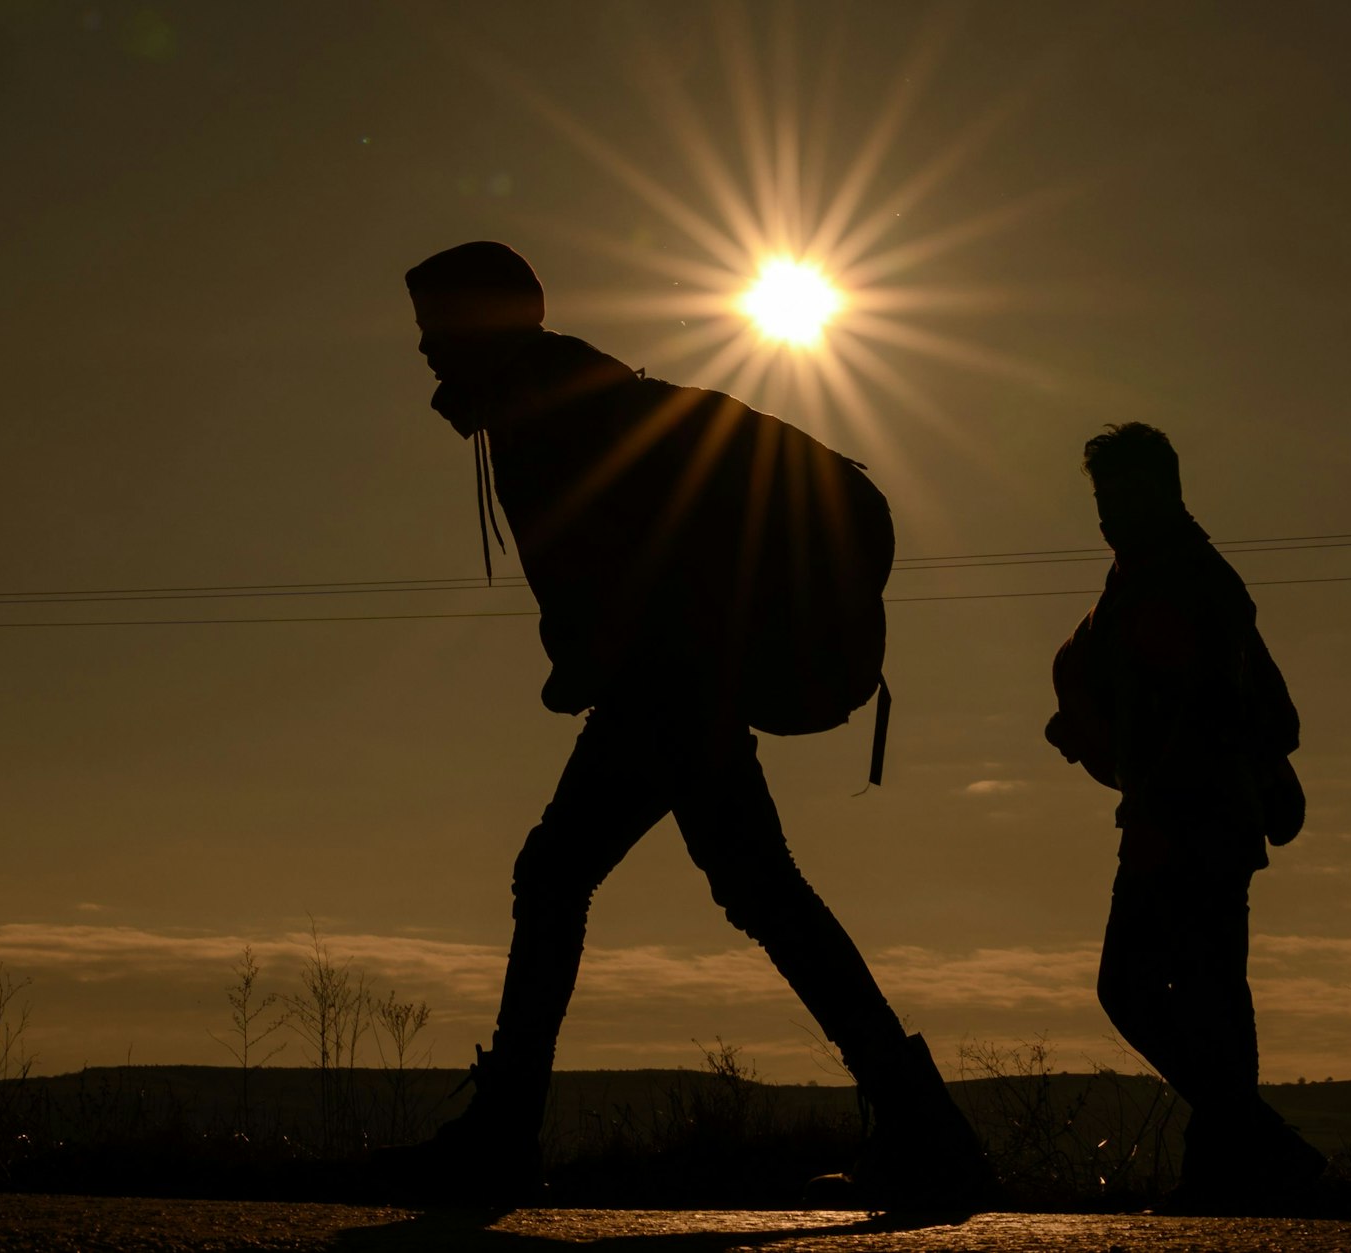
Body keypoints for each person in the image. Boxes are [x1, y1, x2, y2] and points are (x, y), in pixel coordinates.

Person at [384, 240, 989, 1206]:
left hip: (673, 683)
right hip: (679, 678)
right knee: (758, 893)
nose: (421, 349)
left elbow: (632, 555)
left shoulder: (551, 409)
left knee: (561, 873)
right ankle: (927, 1127)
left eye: (433, 327)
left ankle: (501, 1136)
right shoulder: (554, 395)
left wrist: (593, 665)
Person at [1044, 422, 1325, 1210]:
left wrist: (1159, 783)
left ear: (1163, 491)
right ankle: (1233, 1169)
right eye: (1102, 498)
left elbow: (1227, 709)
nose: (1107, 513)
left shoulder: (1183, 577)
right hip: (1192, 815)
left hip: (1187, 818)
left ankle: (1260, 1148)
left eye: (1122, 495)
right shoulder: (1151, 575)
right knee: (1208, 994)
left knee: (1135, 989)